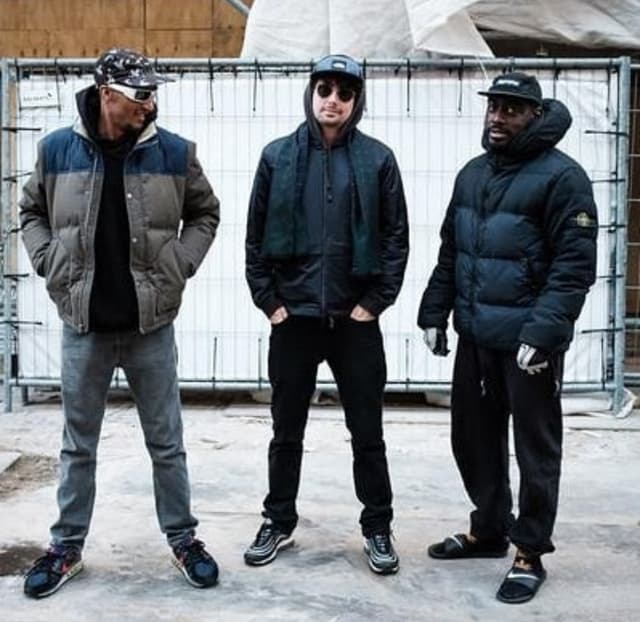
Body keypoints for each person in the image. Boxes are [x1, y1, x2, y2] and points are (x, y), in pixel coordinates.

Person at [19, 48, 221, 597]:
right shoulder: (56, 150)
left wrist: (180, 263)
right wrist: (49, 261)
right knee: (77, 446)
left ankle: (183, 540)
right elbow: (30, 211)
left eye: (153, 94)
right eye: (140, 95)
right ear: (106, 95)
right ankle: (66, 548)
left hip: (149, 326)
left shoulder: (174, 152)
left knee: (167, 443)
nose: (149, 104)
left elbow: (206, 212)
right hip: (83, 325)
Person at [417, 72, 598, 603]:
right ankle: (489, 529)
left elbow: (573, 267)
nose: (498, 117)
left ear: (535, 116)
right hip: (476, 336)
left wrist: (543, 333)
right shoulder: (472, 174)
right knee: (472, 438)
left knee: (534, 448)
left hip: (528, 344)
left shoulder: (563, 178)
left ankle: (529, 551)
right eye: (494, 106)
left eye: (512, 109)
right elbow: (452, 251)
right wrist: (435, 310)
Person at [244, 54, 409, 575]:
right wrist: (270, 303)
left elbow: (396, 238)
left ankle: (377, 526)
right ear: (311, 94)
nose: (332, 100)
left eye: (344, 92)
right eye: (324, 89)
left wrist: (374, 303)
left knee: (368, 433)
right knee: (285, 432)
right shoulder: (277, 157)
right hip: (293, 320)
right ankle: (278, 520)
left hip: (354, 322)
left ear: (357, 101)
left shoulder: (377, 160)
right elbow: (254, 239)